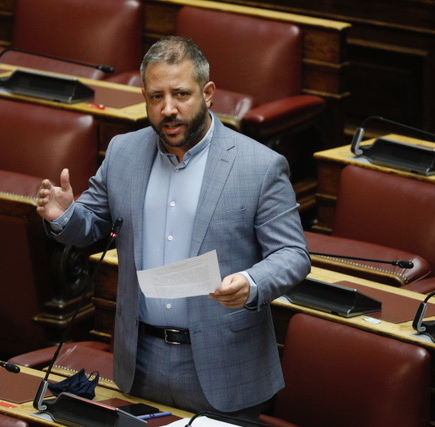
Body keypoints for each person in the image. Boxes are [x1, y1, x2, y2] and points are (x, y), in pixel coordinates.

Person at [37, 36, 310, 423]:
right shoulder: (124, 152)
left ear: (208, 93)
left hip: (223, 364)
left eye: (181, 94)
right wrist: (63, 215)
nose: (168, 109)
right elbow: (91, 224)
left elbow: (292, 255)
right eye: (156, 97)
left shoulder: (259, 166)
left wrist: (252, 283)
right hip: (141, 359)